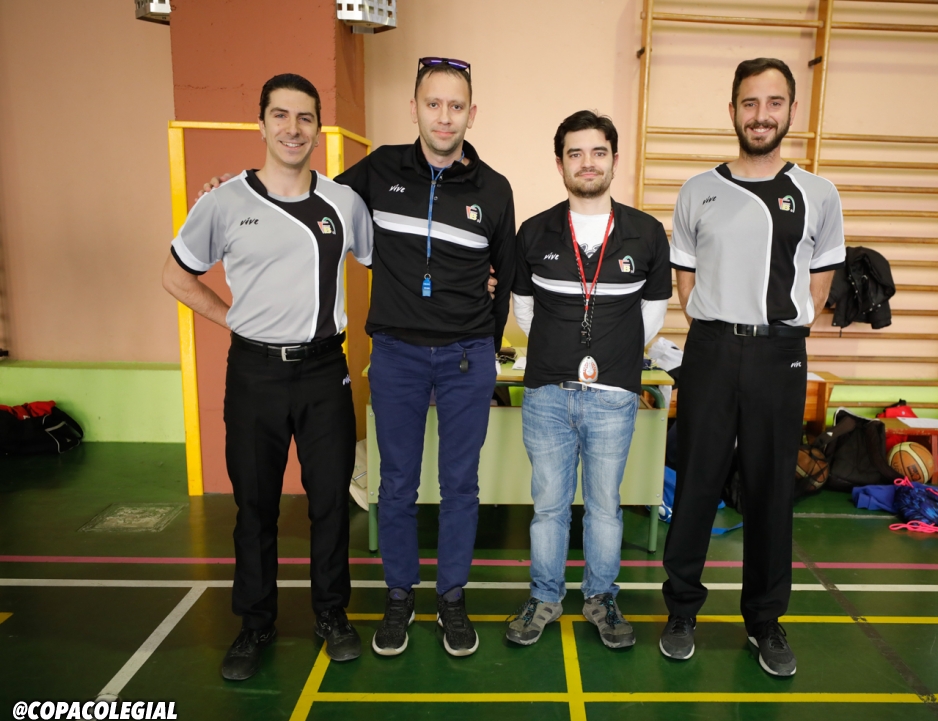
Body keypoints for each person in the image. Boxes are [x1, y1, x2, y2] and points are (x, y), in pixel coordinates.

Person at [163, 73, 373, 681]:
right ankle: (255, 624)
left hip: (325, 371)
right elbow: (175, 276)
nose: (292, 128)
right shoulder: (223, 201)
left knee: (330, 502)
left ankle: (332, 615)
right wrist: (234, 319)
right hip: (254, 373)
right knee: (254, 505)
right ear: (261, 123)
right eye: (280, 115)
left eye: (305, 117)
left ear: (318, 129)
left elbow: (393, 260)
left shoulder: (343, 204)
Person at [658, 58, 845, 676]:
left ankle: (765, 621)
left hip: (778, 354)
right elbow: (686, 280)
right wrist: (723, 324)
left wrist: (774, 331)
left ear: (791, 110)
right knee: (697, 482)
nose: (761, 115)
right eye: (749, 103)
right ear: (733, 110)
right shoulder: (697, 190)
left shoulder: (819, 194)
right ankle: (681, 610)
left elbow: (820, 285)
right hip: (711, 350)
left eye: (773, 102)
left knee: (770, 489)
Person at [334, 57, 516, 657]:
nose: (444, 116)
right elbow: (313, 203)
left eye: (455, 106)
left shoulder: (494, 189)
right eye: (433, 103)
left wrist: (484, 345)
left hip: (467, 357)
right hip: (396, 355)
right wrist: (236, 186)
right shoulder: (380, 168)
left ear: (472, 113)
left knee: (460, 485)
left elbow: (506, 279)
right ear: (413, 107)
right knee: (397, 485)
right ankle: (399, 596)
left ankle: (452, 598)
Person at [505, 111, 671, 648]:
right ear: (560, 164)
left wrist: (612, 355)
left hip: (614, 395)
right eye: (575, 153)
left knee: (604, 507)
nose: (587, 163)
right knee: (549, 508)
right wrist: (561, 350)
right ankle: (545, 597)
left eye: (598, 152)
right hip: (546, 394)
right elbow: (524, 311)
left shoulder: (646, 233)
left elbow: (652, 315)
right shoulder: (534, 232)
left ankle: (601, 598)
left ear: (614, 160)